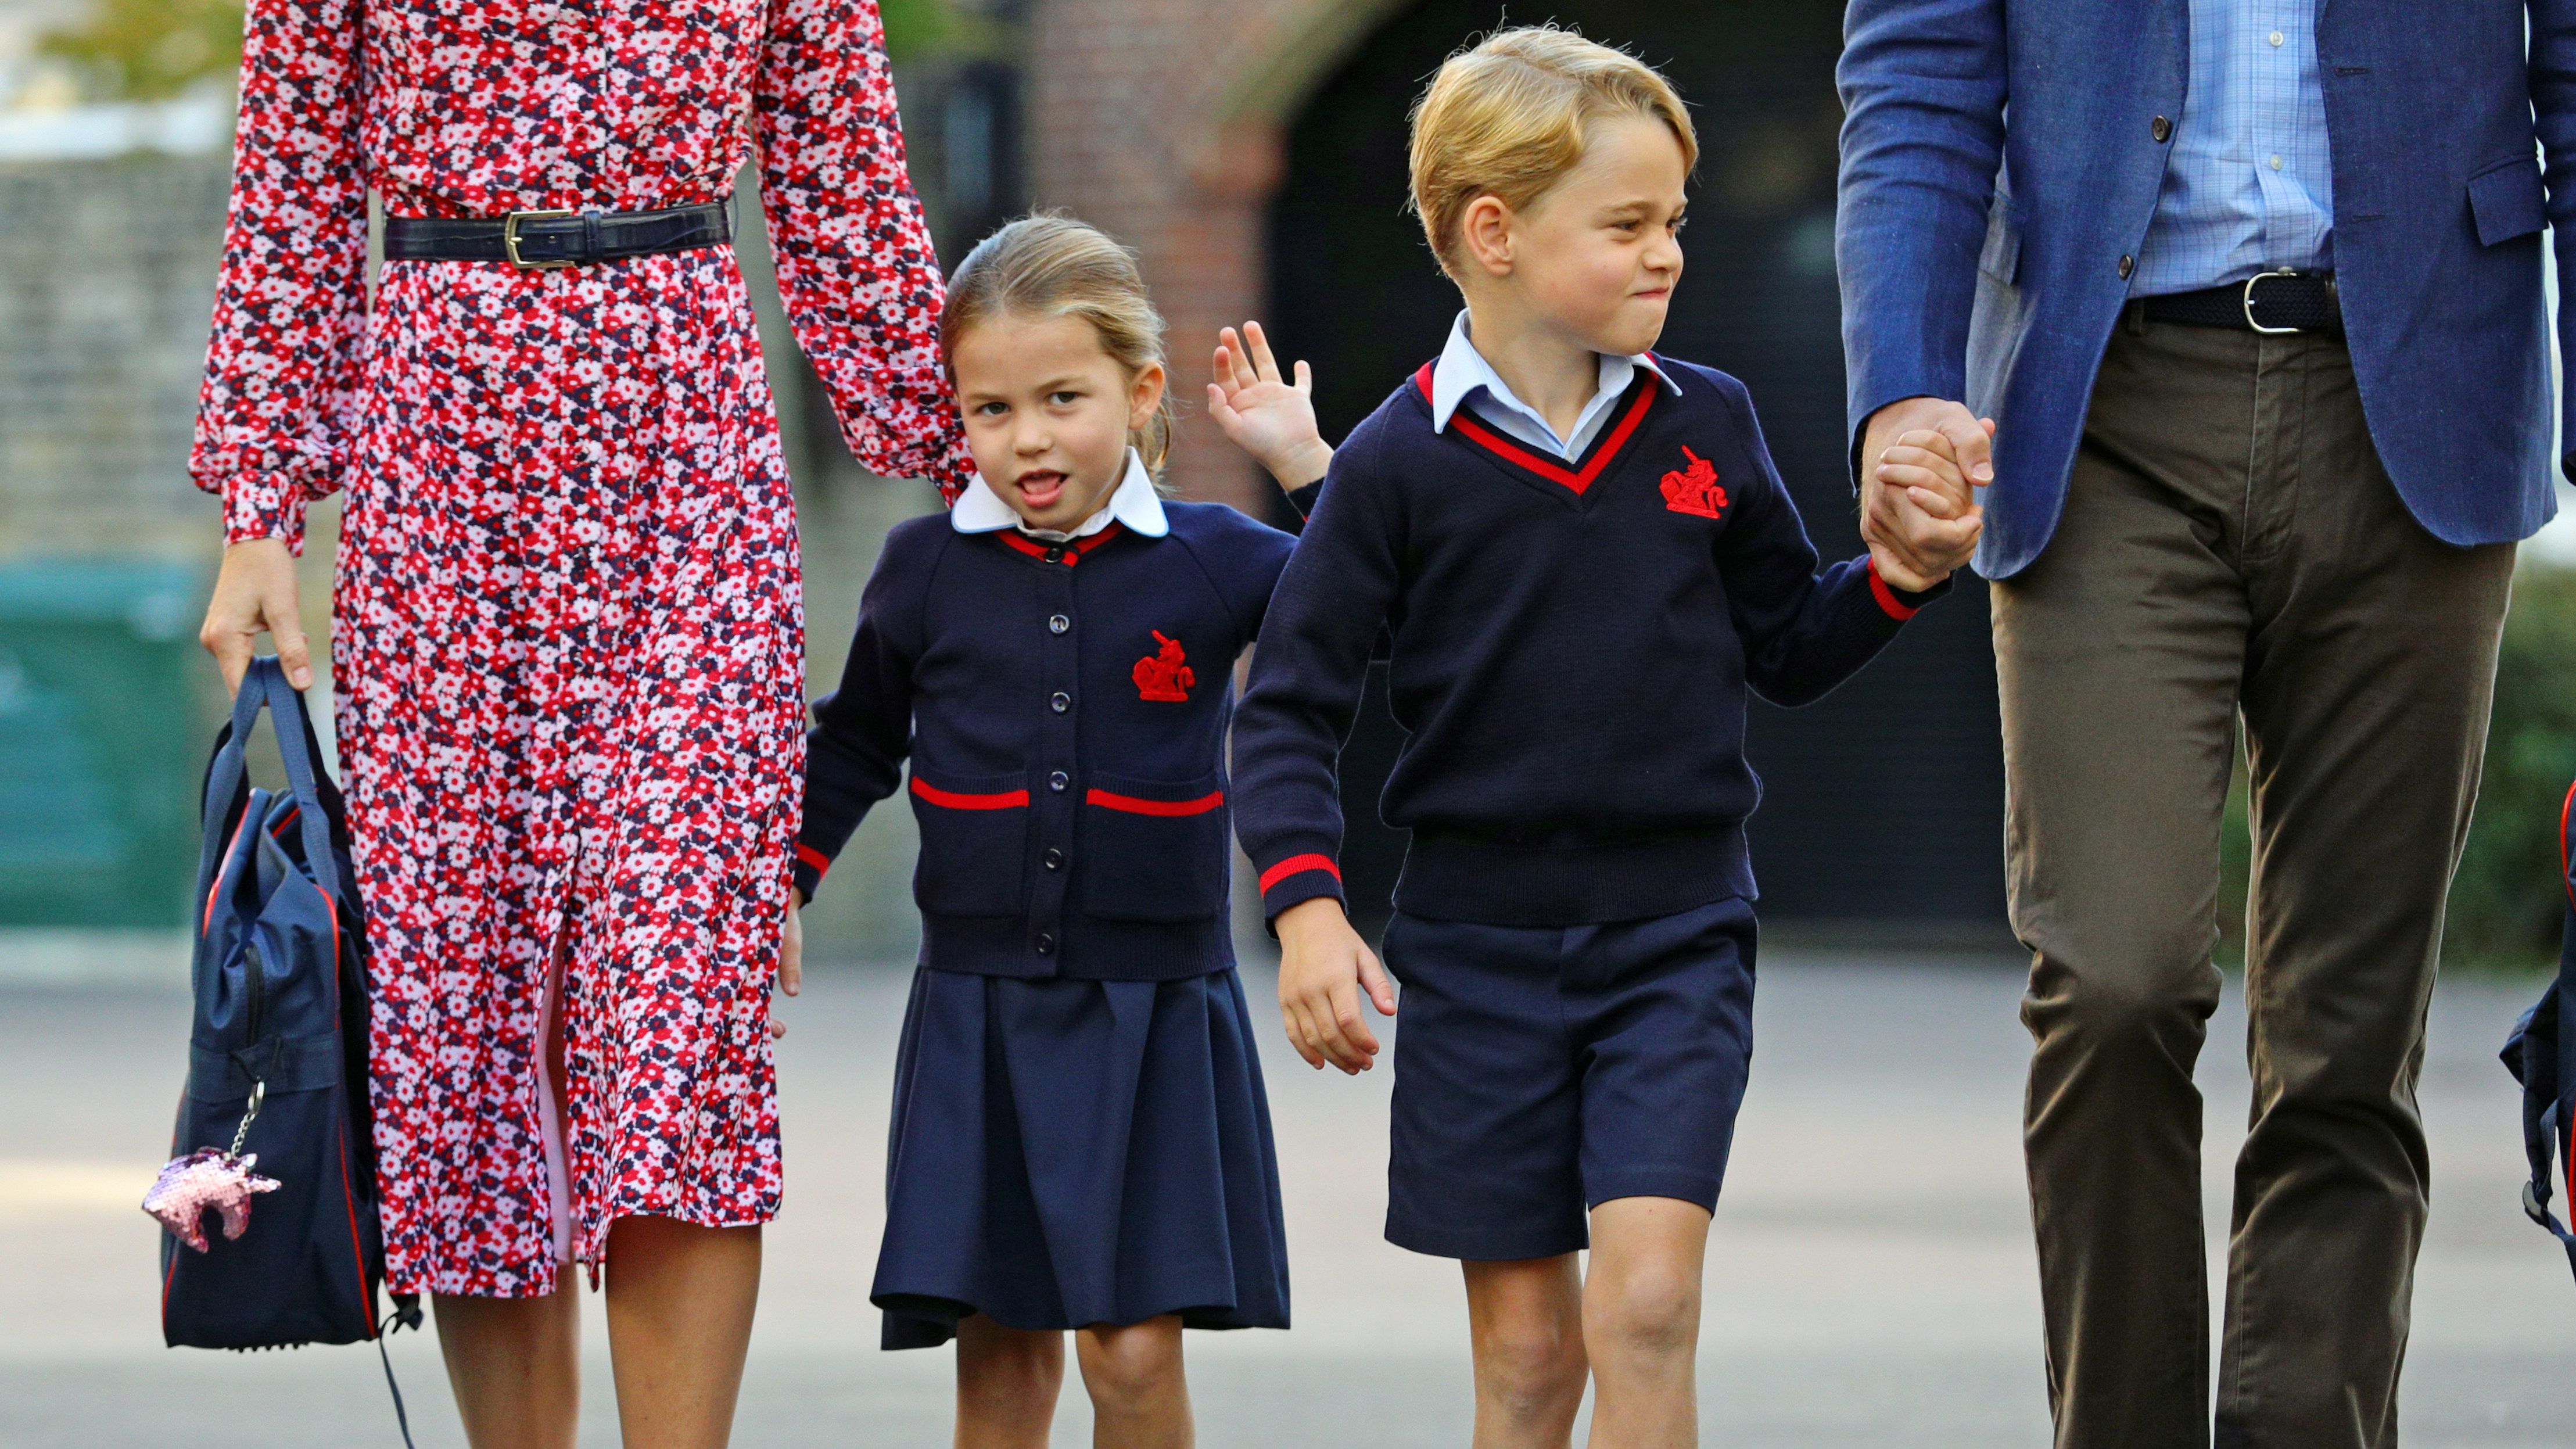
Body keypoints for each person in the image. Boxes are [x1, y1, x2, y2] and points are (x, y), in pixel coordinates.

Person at [189, 0, 966, 1442]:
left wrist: (974, 469)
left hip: (686, 447)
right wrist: (260, 507)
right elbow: (289, 168)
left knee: (683, 1017)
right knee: (466, 1026)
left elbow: (842, 167)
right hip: (439, 450)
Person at [1227, 27, 1981, 1448]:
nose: (1668, 256)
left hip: (1675, 939)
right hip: (1473, 955)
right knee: (1525, 1358)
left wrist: (1901, 574)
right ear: (1495, 232)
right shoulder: (1391, 466)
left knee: (1643, 1306)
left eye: (1675, 224)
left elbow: (1790, 644)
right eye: (1628, 225)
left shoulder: (1718, 423)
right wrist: (1309, 913)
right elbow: (1290, 708)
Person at [1835, 3, 2570, 1446]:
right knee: (2112, 978)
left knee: (2350, 1036)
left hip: (2422, 387)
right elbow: (1917, 71)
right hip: (2097, 398)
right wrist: (1905, 385)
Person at [788, 216, 1325, 1449]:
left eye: (1062, 398)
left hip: (1152, 1009)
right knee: (1002, 1360)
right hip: (980, 1009)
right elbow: (859, 737)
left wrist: (1308, 466)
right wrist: (782, 881)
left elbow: (1388, 612)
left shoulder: (1220, 560)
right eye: (989, 409)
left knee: (1133, 1357)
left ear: (1141, 395)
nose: (1026, 439)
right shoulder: (924, 568)